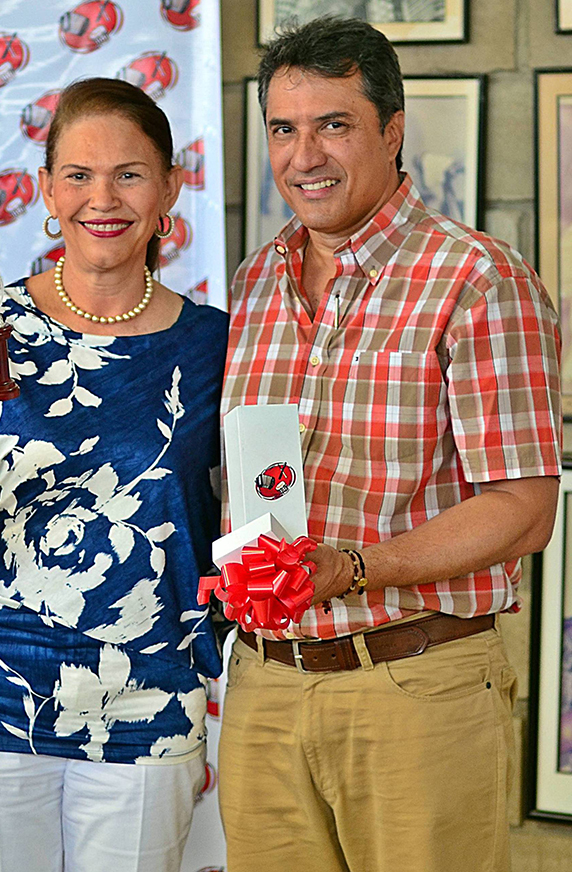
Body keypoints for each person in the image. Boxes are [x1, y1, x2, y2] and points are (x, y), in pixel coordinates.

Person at [218, 17, 561, 872]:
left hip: (414, 684)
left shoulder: (478, 279)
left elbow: (524, 510)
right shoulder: (255, 282)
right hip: (264, 684)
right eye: (284, 129)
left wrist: (355, 568)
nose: (305, 156)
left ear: (393, 130)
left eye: (333, 125)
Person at [0, 77, 228, 872]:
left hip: (149, 711)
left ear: (170, 187)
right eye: (78, 175)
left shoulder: (215, 345)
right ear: (46, 190)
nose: (102, 198)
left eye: (129, 174)